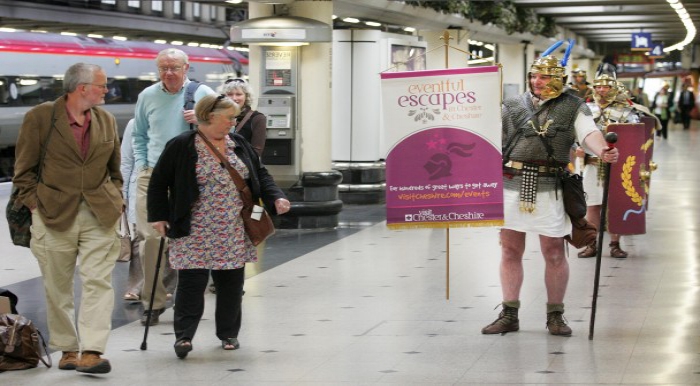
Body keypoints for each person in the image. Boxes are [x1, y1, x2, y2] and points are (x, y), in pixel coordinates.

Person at [482, 53, 619, 336]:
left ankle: (555, 314)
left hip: (550, 187)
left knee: (554, 251)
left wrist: (603, 149)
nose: (536, 81)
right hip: (511, 183)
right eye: (533, 76)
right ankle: (509, 312)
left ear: (558, 79)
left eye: (543, 76)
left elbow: (589, 134)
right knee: (509, 249)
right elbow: (489, 140)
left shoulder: (573, 106)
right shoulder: (511, 105)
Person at [147, 94, 291, 358]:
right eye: (230, 118)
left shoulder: (238, 143)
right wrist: (159, 216)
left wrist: (277, 197)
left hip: (234, 226)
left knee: (231, 283)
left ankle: (228, 333)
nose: (233, 123)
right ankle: (184, 337)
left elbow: (260, 174)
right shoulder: (182, 145)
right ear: (211, 117)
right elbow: (158, 182)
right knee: (191, 282)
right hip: (194, 227)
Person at [13, 63, 123, 373]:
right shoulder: (41, 117)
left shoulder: (106, 119)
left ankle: (92, 350)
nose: (106, 90)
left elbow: (115, 169)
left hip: (100, 213)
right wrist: (36, 205)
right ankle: (68, 348)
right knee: (56, 286)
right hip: (52, 213)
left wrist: (116, 197)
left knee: (98, 282)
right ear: (82, 88)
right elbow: (23, 171)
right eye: (101, 85)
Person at [132, 48, 215, 325]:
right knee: (152, 241)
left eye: (174, 68)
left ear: (186, 68)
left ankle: (188, 300)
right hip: (153, 175)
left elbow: (225, 133)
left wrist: (202, 122)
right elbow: (140, 134)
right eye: (163, 68)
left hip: (189, 178)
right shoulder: (147, 96)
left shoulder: (204, 94)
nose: (168, 73)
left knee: (190, 240)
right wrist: (144, 164)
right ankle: (152, 303)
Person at [575, 74, 640, 259]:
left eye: (606, 87)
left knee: (614, 205)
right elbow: (573, 134)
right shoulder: (585, 109)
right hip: (592, 165)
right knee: (592, 205)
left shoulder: (627, 112)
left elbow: (633, 139)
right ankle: (592, 243)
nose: (601, 90)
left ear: (614, 89)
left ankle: (614, 244)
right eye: (598, 87)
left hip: (617, 166)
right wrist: (577, 149)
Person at [220, 78, 267, 156]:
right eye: (230, 94)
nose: (234, 98)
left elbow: (257, 152)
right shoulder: (217, 116)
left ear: (246, 96)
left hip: (243, 166)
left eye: (238, 94)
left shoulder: (257, 118)